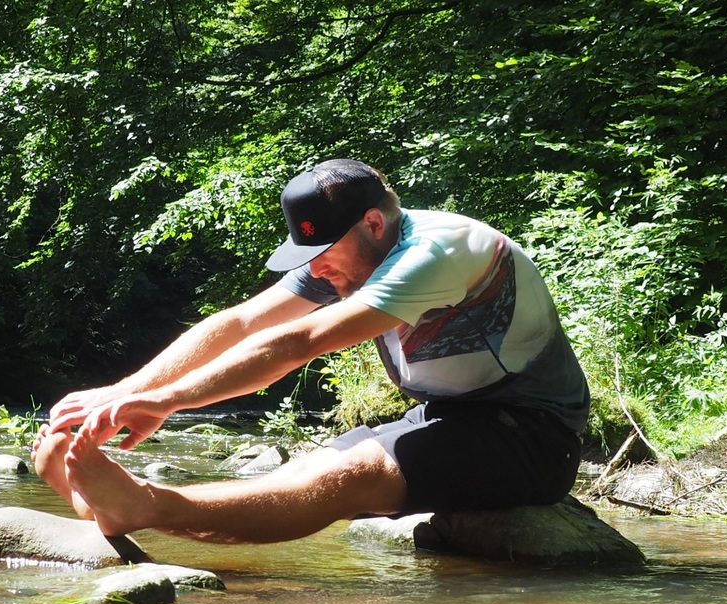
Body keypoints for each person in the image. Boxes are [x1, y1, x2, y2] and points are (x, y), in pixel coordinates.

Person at [32, 159, 589, 544]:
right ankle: (110, 512)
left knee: (348, 477)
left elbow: (301, 341)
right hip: (448, 418)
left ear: (373, 222)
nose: (315, 266)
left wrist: (166, 401)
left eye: (324, 251)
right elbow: (242, 321)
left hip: (533, 435)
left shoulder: (437, 252)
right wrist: (123, 392)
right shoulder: (359, 252)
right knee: (311, 470)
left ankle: (147, 507)